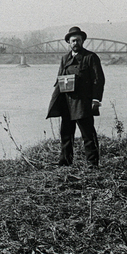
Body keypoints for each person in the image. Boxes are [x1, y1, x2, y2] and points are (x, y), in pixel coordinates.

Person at [46, 26, 105, 167]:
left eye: (78, 40)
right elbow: (59, 79)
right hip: (67, 101)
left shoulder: (90, 57)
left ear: (82, 41)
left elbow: (99, 80)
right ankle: (65, 161)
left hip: (83, 102)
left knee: (88, 133)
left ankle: (92, 162)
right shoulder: (64, 59)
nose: (75, 43)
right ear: (68, 42)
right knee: (66, 133)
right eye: (73, 41)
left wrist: (96, 100)